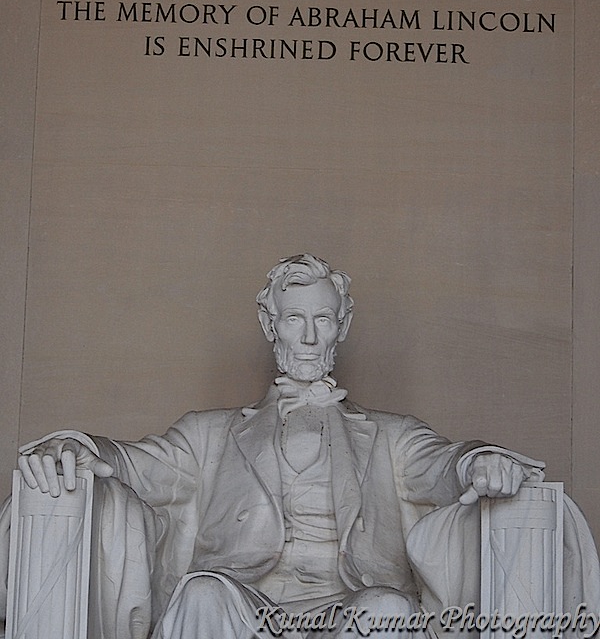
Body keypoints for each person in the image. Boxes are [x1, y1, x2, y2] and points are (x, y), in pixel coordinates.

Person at [8, 255, 591, 638]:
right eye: (293, 319)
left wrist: (479, 460)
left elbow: (444, 464)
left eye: (323, 320)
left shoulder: (387, 434)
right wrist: (82, 446)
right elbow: (137, 463)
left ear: (343, 324)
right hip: (242, 604)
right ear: (270, 325)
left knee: (389, 610)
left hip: (352, 606)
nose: (309, 336)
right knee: (202, 593)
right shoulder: (209, 434)